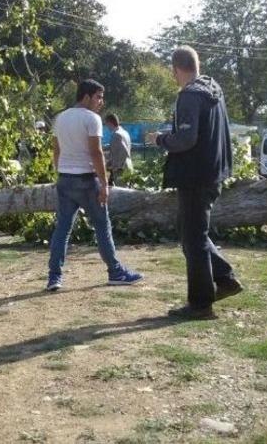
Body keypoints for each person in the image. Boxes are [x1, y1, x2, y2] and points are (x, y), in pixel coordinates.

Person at [147, 46, 241, 320]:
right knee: (190, 232)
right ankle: (225, 279)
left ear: (176, 69)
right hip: (213, 172)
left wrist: (160, 139)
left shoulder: (189, 95)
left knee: (194, 239)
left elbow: (187, 139)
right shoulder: (213, 88)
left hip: (195, 176)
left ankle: (201, 304)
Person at [45, 80, 143, 292]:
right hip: (87, 180)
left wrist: (61, 171)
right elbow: (96, 152)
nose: (101, 102)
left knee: (62, 229)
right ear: (86, 96)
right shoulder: (92, 118)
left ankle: (54, 277)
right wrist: (104, 184)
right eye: (98, 97)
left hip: (65, 179)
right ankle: (115, 272)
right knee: (102, 226)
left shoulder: (60, 118)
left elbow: (56, 149)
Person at [103, 113, 132, 185]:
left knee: (122, 190)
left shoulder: (116, 135)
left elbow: (122, 152)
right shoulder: (125, 132)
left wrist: (115, 167)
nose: (107, 127)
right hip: (128, 166)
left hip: (120, 170)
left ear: (110, 123)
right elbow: (117, 151)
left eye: (106, 124)